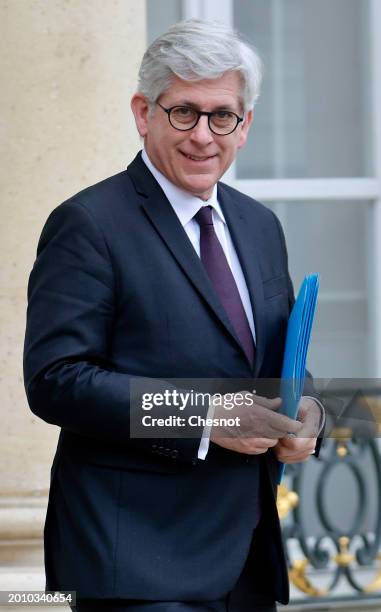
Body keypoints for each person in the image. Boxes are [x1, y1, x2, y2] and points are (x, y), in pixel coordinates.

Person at [23, 19, 323, 612]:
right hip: (133, 567)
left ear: (246, 124)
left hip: (246, 563)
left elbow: (275, 362)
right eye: (184, 111)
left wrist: (306, 414)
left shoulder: (261, 226)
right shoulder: (88, 225)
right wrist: (206, 415)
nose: (204, 136)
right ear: (143, 112)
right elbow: (56, 381)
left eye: (222, 116)